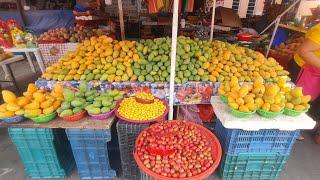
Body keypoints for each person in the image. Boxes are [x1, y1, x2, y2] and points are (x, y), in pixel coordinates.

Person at [288, 23, 320, 143]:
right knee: (296, 99)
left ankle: (295, 129)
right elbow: (304, 51)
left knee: (305, 99)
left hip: (314, 69)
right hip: (304, 69)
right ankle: (291, 131)